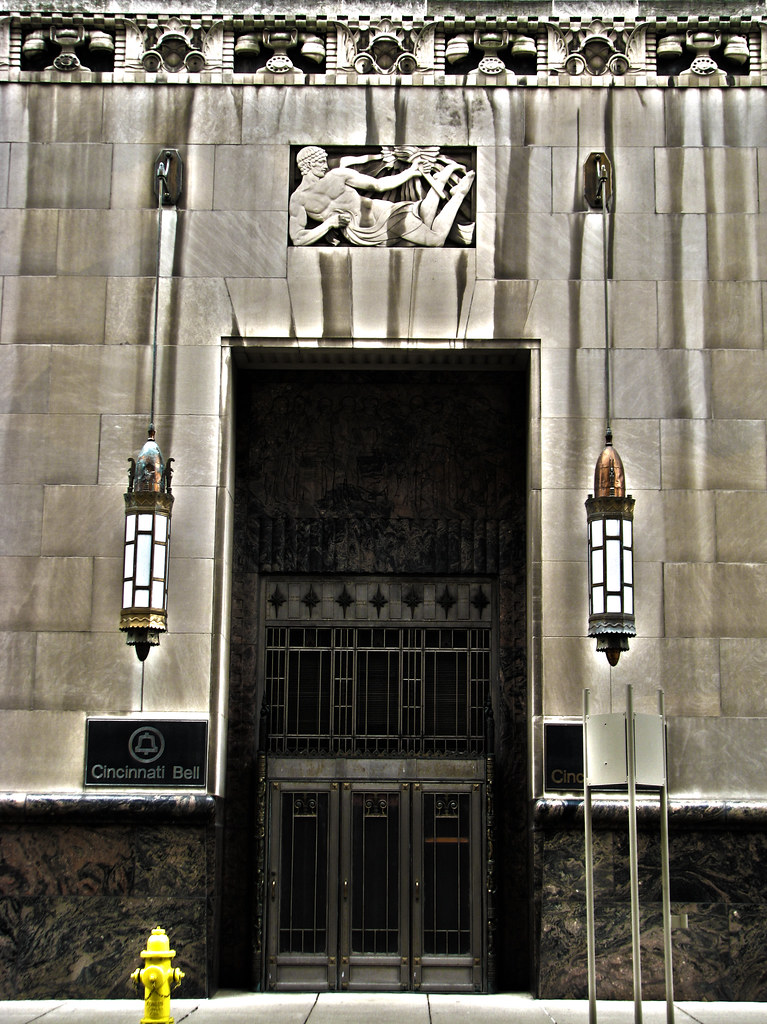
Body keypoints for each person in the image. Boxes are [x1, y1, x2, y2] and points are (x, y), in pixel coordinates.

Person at [288, 146, 475, 247]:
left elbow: (378, 185)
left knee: (436, 240)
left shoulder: (337, 175)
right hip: (362, 235)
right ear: (308, 165)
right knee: (427, 221)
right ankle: (443, 182)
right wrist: (328, 224)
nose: (325, 166)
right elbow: (298, 239)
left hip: (383, 214)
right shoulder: (298, 200)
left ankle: (459, 193)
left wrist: (409, 173)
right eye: (321, 162)